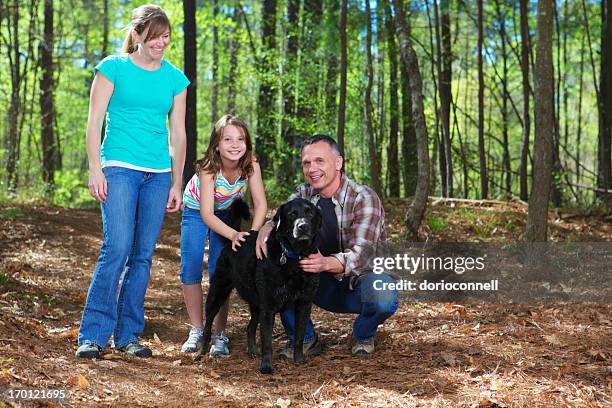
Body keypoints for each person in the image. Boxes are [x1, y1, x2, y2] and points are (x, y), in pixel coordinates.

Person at [76, 4, 189, 359]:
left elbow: (180, 135)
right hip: (119, 167)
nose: (161, 43)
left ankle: (128, 336)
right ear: (138, 35)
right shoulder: (113, 68)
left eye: (166, 36)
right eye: (154, 36)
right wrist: (96, 168)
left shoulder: (175, 78)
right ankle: (93, 335)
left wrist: (176, 182)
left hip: (157, 174)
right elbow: (93, 123)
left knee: (142, 256)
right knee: (117, 247)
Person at [255, 135, 398, 357]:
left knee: (384, 295)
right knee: (280, 273)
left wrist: (326, 263)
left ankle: (362, 335)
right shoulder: (304, 194)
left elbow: (362, 254)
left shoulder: (364, 197)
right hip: (318, 282)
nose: (312, 168)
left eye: (319, 161)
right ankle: (304, 340)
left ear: (338, 163)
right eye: (306, 163)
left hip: (357, 284)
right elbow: (281, 219)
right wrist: (267, 226)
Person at [180, 115, 267, 356]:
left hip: (227, 211)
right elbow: (207, 214)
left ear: (247, 144)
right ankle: (197, 329)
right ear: (217, 144)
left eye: (240, 139)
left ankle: (219, 334)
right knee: (191, 267)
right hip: (197, 211)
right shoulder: (209, 167)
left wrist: (253, 235)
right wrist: (233, 234)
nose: (235, 144)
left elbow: (261, 205)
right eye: (227, 139)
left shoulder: (251, 163)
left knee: (223, 271)